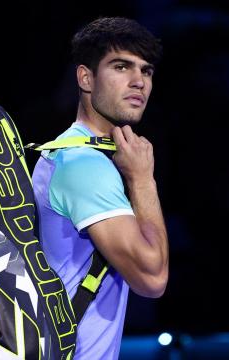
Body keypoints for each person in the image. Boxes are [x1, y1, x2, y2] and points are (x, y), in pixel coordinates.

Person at [32, 17, 169, 359]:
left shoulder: (76, 154)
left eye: (146, 70)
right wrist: (142, 180)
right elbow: (152, 277)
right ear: (86, 78)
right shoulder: (84, 165)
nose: (139, 81)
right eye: (121, 66)